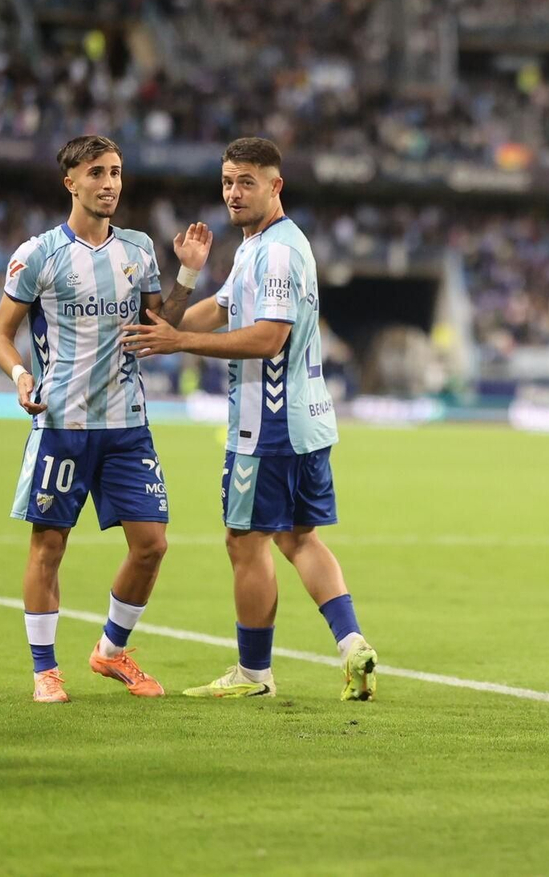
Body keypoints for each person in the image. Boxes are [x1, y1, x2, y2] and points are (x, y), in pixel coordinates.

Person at [122, 137, 378, 701]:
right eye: (228, 182)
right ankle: (351, 644)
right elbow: (211, 310)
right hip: (306, 421)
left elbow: (268, 337)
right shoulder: (258, 247)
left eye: (247, 182)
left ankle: (254, 674)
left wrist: (179, 341)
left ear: (275, 185)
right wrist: (179, 293)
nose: (234, 194)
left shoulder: (278, 252)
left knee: (246, 542)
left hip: (270, 425)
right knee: (298, 538)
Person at [0, 134, 209, 702]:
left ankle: (110, 653)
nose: (109, 183)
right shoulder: (38, 254)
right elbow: (0, 336)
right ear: (72, 182)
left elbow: (160, 326)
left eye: (115, 172)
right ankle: (45, 670)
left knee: (152, 544)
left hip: (127, 423)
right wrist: (20, 377)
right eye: (96, 173)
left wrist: (186, 276)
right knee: (49, 546)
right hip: (62, 421)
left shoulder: (137, 250)